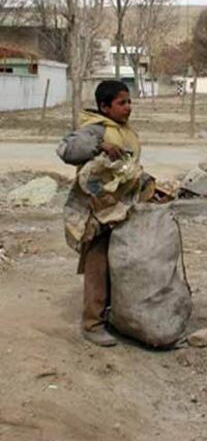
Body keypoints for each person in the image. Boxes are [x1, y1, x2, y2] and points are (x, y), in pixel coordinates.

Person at [57, 80, 143, 347]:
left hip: (119, 209)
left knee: (117, 264)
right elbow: (66, 149)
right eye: (121, 103)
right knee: (98, 264)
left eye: (129, 102)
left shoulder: (122, 130)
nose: (128, 107)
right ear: (104, 107)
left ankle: (113, 315)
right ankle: (92, 323)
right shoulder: (95, 129)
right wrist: (99, 146)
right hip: (98, 213)